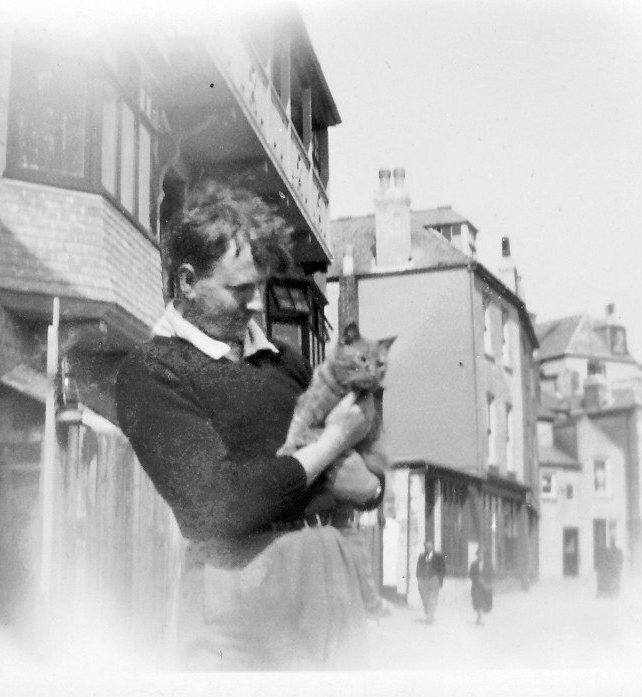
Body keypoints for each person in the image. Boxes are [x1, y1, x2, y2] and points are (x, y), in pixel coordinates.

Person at [114, 182, 385, 670]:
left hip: (334, 581)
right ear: (187, 281)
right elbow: (217, 504)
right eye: (240, 289)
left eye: (260, 285)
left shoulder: (285, 361)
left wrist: (372, 486)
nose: (258, 303)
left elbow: (364, 452)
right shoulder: (153, 370)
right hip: (243, 594)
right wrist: (330, 447)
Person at [415, 540, 446, 624]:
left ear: (433, 546)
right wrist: (419, 578)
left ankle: (430, 616)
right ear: (425, 547)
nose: (428, 548)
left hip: (434, 580)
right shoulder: (422, 556)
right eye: (426, 546)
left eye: (430, 546)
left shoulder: (438, 556)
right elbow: (418, 568)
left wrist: (439, 580)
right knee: (425, 598)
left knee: (432, 598)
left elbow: (443, 569)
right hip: (424, 580)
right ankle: (428, 612)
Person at [469, 546, 493, 625]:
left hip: (485, 585)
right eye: (479, 553)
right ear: (477, 554)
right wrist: (478, 578)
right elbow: (471, 575)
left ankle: (481, 616)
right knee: (478, 601)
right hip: (476, 586)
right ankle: (480, 616)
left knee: (484, 601)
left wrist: (486, 581)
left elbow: (491, 574)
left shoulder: (488, 564)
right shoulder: (474, 564)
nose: (481, 555)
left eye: (482, 553)